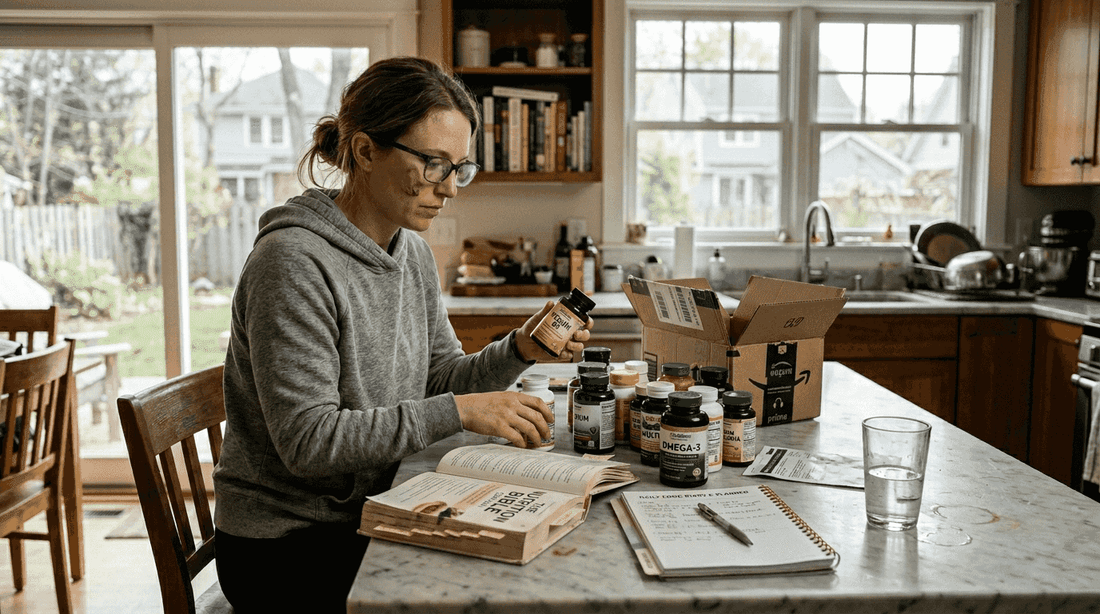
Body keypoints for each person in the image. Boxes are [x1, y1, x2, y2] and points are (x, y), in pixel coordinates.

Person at [212, 57, 592, 613]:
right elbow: (308, 443)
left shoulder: (409, 250)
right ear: (365, 152)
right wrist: (459, 411)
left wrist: (517, 351)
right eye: (434, 164)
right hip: (285, 543)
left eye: (460, 167)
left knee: (542, 563)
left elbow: (440, 377)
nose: (451, 188)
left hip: (371, 505)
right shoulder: (291, 262)